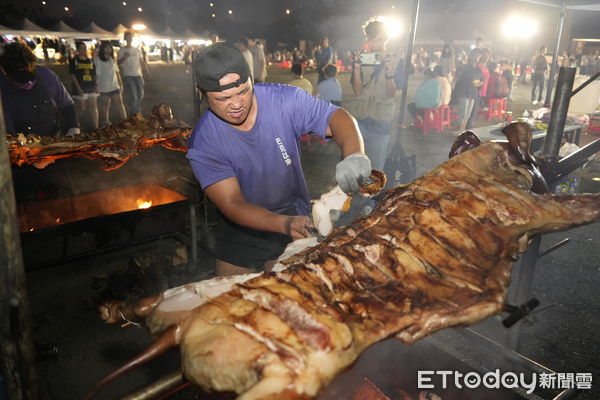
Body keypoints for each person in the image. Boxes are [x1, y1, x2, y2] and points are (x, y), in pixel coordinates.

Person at [187, 43, 371, 276]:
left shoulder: (283, 101)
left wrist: (355, 155)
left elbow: (337, 116)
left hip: (295, 213)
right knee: (230, 300)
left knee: (295, 293)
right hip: (241, 225)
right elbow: (232, 203)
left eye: (243, 91)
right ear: (202, 93)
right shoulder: (204, 142)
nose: (236, 104)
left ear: (252, 80)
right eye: (223, 98)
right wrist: (282, 224)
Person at [349, 17, 399, 172]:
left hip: (381, 120)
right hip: (361, 117)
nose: (372, 44)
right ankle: (356, 193)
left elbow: (391, 93)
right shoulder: (363, 59)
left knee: (376, 167)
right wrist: (356, 67)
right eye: (369, 39)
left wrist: (389, 74)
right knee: (357, 163)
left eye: (376, 40)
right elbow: (358, 91)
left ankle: (370, 196)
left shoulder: (395, 60)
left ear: (385, 39)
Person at [0, 41, 79, 137]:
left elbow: (67, 104)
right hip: (22, 143)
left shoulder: (47, 76)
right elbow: (7, 130)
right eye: (21, 79)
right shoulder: (3, 89)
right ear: (4, 71)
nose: (28, 84)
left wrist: (73, 127)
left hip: (54, 137)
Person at [94, 41, 126, 127]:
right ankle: (105, 122)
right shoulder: (97, 60)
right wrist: (96, 86)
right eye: (106, 47)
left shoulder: (112, 59)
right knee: (105, 105)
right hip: (104, 87)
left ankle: (125, 120)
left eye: (110, 48)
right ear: (102, 48)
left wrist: (121, 84)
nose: (108, 49)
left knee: (120, 104)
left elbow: (117, 72)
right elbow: (97, 74)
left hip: (114, 86)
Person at [118, 31, 150, 116]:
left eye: (130, 37)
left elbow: (141, 61)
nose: (129, 38)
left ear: (132, 38)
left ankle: (136, 110)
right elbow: (119, 63)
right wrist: (124, 57)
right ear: (125, 38)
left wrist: (146, 70)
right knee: (134, 95)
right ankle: (135, 113)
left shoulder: (137, 50)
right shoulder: (122, 50)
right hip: (128, 75)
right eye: (127, 37)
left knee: (140, 94)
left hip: (138, 75)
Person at [69, 41, 99, 129]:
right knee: (81, 108)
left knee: (93, 107)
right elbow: (72, 75)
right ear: (78, 50)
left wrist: (96, 85)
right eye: (81, 48)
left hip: (91, 86)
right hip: (80, 87)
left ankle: (96, 126)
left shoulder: (90, 60)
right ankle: (76, 123)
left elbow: (94, 74)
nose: (83, 50)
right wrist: (78, 88)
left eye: (84, 48)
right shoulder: (74, 61)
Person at [452, 48, 483, 131]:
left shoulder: (478, 69)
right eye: (475, 55)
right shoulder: (465, 67)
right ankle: (459, 133)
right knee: (462, 116)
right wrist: (476, 82)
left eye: (479, 56)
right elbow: (467, 80)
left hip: (473, 94)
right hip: (463, 93)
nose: (477, 58)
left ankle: (462, 132)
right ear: (471, 56)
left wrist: (476, 82)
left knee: (467, 116)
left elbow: (481, 81)